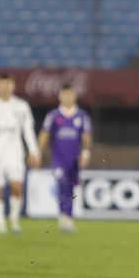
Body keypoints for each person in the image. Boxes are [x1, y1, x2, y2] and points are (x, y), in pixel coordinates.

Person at [0, 72, 41, 234]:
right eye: (2, 84)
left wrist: (33, 151)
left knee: (17, 187)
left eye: (8, 84)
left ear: (12, 86)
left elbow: (28, 131)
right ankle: (0, 224)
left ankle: (14, 219)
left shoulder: (21, 106)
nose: (5, 87)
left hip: (15, 155)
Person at [37, 84, 92, 232]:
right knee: (63, 184)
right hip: (59, 160)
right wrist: (37, 153)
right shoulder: (53, 115)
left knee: (70, 189)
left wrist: (86, 153)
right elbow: (44, 134)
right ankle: (63, 217)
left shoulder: (82, 116)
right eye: (64, 94)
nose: (67, 96)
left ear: (75, 95)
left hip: (74, 161)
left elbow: (86, 137)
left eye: (70, 93)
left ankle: (68, 217)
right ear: (60, 96)